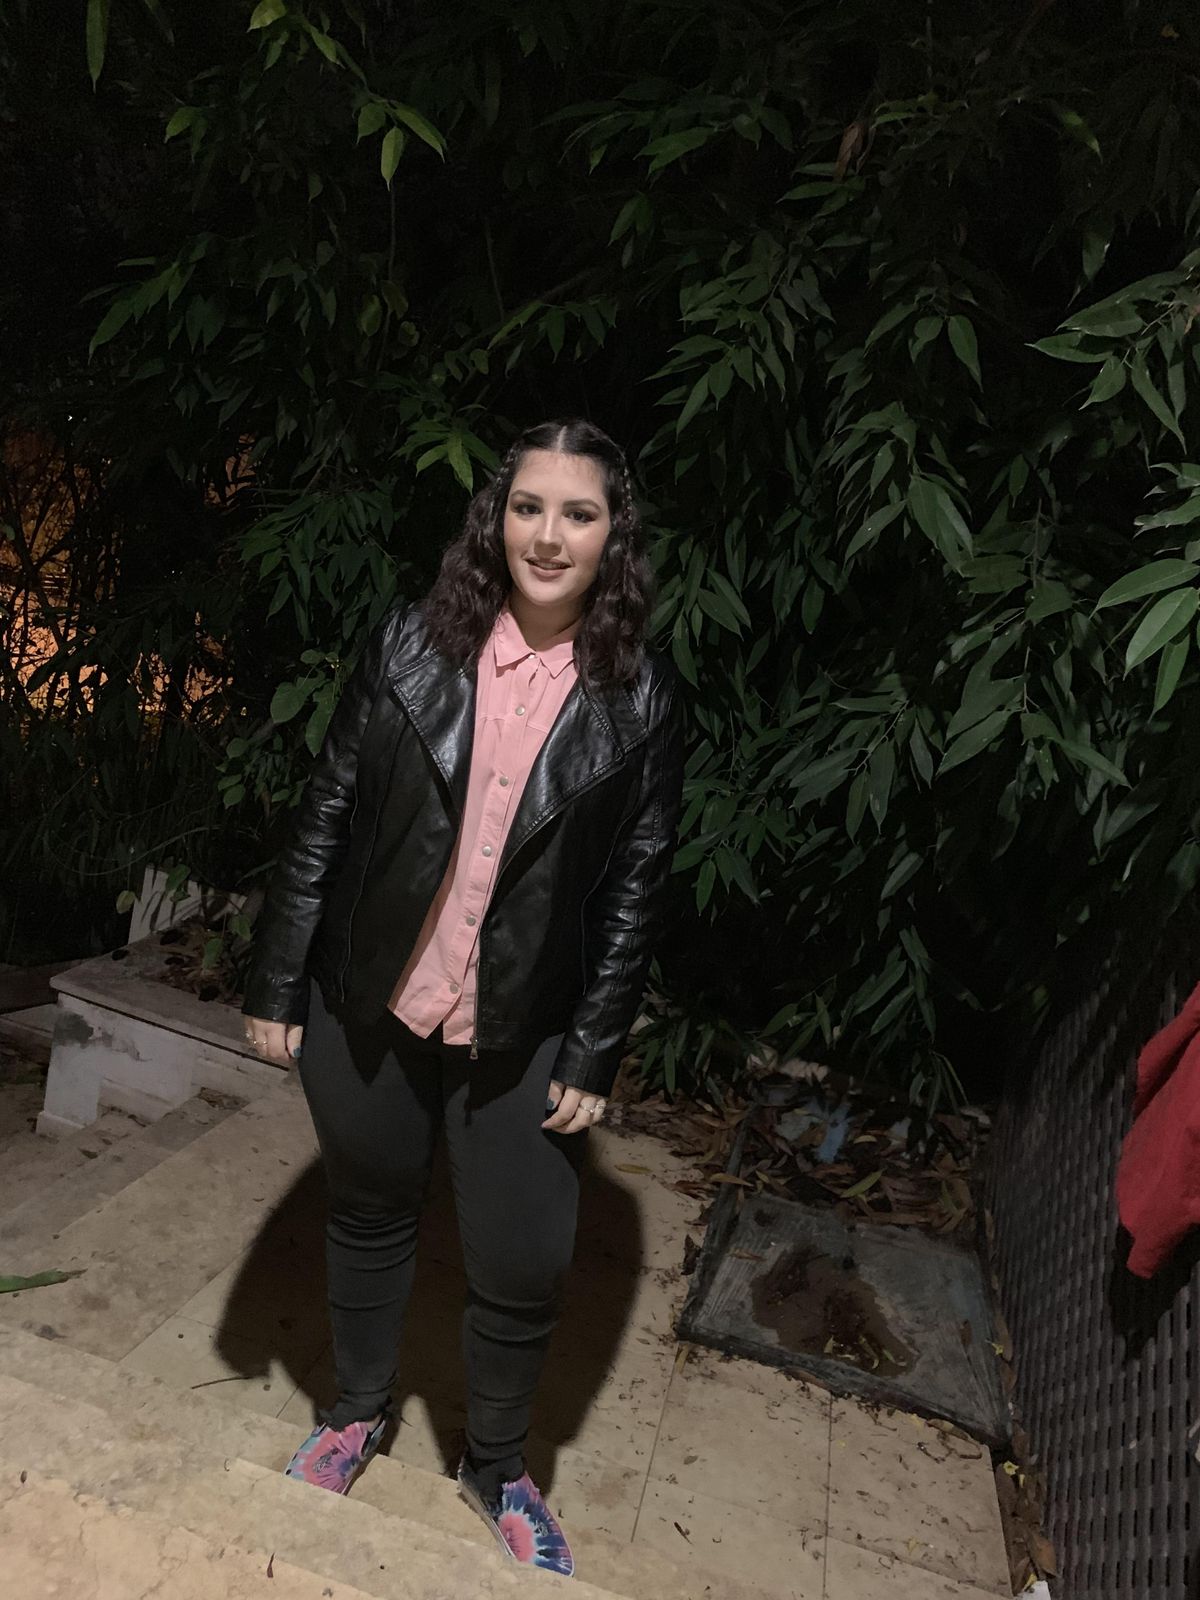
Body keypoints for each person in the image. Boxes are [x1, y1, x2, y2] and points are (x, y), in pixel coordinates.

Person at [239, 417, 686, 1577]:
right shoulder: (412, 643)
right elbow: (327, 812)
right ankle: (356, 1413)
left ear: (613, 536)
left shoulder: (640, 700)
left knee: (525, 1259)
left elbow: (636, 889)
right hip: (374, 998)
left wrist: (593, 1049)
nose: (549, 534)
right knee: (368, 1209)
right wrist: (279, 976)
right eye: (528, 506)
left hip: (523, 1023)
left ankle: (495, 1465)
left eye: (579, 513)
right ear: (496, 517)